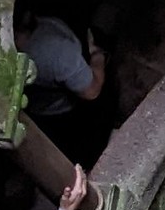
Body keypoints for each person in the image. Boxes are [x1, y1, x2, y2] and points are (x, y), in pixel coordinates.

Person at [16, 8, 107, 138]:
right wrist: (98, 56)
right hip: (60, 111)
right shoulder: (57, 52)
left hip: (39, 102)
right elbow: (92, 90)